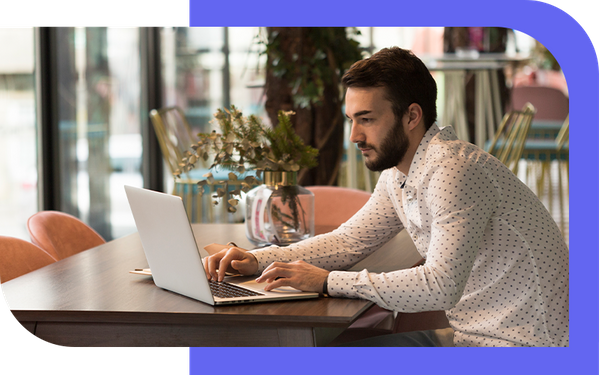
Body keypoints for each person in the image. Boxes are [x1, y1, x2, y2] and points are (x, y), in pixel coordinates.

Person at [203, 47, 569, 347]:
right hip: (471, 339)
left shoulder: (454, 169)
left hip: (522, 347)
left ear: (412, 116)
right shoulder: (401, 171)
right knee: (332, 351)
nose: (354, 136)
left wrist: (328, 281)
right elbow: (350, 241)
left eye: (367, 119)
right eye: (351, 119)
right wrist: (256, 259)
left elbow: (439, 286)